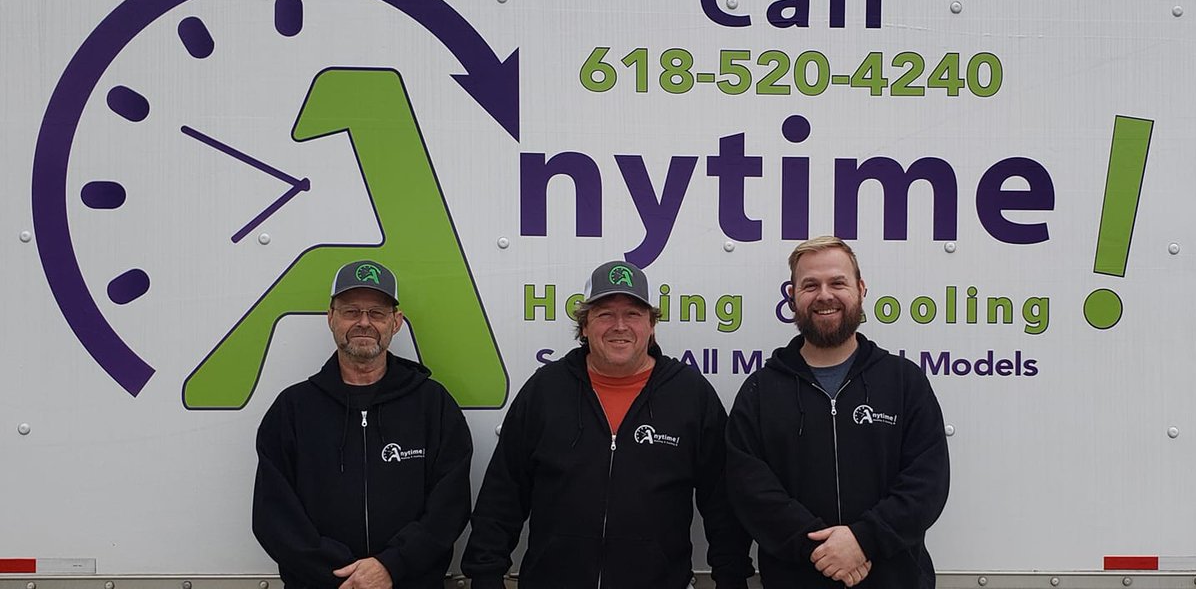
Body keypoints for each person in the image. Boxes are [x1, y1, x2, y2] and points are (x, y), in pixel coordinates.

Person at [462, 260, 753, 589]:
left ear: (651, 325)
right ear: (584, 326)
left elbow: (722, 503)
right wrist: (485, 574)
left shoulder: (690, 394)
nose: (620, 326)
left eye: (633, 313)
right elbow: (503, 492)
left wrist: (732, 577)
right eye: (604, 314)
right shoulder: (545, 390)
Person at [726, 237, 950, 588]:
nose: (824, 295)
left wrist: (863, 540)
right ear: (792, 296)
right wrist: (820, 548)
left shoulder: (904, 382)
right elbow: (750, 491)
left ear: (860, 289)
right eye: (810, 285)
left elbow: (927, 483)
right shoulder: (760, 392)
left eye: (837, 282)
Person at [252, 260, 472, 589]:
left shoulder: (433, 405)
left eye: (377, 313)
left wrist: (391, 566)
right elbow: (274, 516)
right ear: (331, 318)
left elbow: (449, 507)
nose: (364, 323)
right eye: (351, 311)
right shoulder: (293, 410)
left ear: (396, 322)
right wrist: (343, 574)